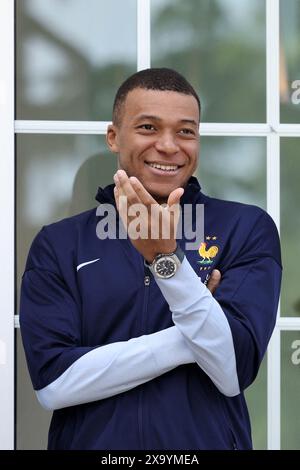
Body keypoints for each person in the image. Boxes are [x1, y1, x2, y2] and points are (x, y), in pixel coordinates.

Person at [20, 68, 282, 450]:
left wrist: (166, 260)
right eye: (147, 127)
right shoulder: (60, 243)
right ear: (114, 136)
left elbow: (231, 369)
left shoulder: (245, 227)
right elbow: (54, 384)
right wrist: (196, 330)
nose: (169, 145)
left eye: (186, 131)